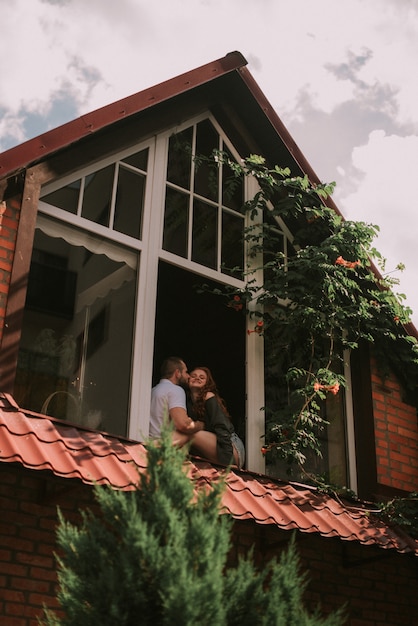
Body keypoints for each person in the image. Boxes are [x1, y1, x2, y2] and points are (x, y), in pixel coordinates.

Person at [188, 366, 245, 469]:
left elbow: (222, 427)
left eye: (202, 377)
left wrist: (229, 462)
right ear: (188, 379)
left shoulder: (208, 396)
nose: (197, 378)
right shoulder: (186, 403)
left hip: (231, 448)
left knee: (191, 433)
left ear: (207, 383)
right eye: (193, 376)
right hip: (215, 448)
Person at [149, 357, 204, 445]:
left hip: (148, 443)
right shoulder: (175, 390)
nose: (188, 376)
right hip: (164, 446)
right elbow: (184, 425)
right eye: (186, 372)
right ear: (177, 373)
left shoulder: (153, 390)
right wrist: (200, 425)